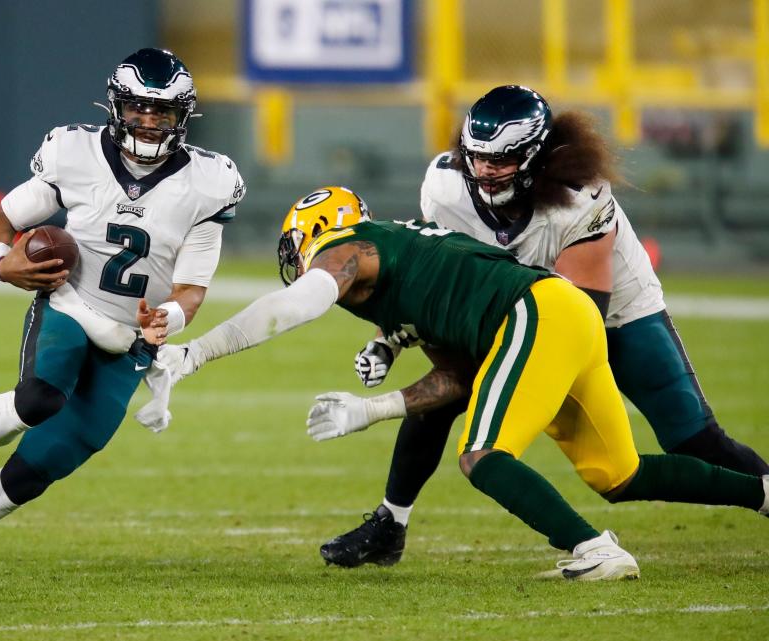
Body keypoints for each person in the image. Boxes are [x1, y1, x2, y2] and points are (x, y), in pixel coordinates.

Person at [158, 185, 768, 581]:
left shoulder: (351, 249)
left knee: (483, 456)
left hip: (540, 313)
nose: (303, 264)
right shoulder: (409, 273)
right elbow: (454, 378)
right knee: (620, 473)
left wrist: (197, 353)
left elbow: (296, 305)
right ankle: (763, 494)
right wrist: (372, 410)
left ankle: (594, 549)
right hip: (564, 317)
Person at [322, 85, 769, 569]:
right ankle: (391, 523)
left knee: (690, 438)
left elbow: (581, 313)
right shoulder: (446, 189)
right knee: (441, 398)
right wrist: (387, 339)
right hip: (513, 311)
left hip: (612, 313)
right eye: (476, 157)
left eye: (502, 159)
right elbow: (432, 284)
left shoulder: (581, 197)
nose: (485, 170)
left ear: (536, 155)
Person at [0, 48, 246, 582]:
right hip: (71, 305)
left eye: (161, 112)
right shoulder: (76, 152)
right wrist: (2, 264)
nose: (148, 121)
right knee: (40, 397)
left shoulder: (209, 182)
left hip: (130, 343)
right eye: (139, 107)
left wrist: (168, 318)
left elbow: (191, 289)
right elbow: (1, 219)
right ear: (117, 106)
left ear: (182, 117)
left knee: (33, 473)